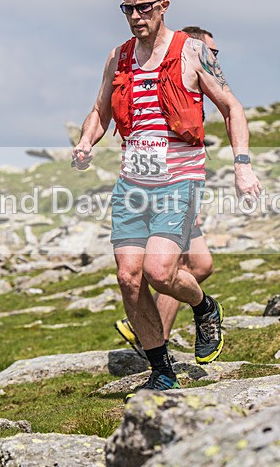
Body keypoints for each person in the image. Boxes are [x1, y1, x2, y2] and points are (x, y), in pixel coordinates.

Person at [72, 0, 261, 395]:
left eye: (144, 8)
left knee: (160, 271)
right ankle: (162, 370)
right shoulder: (117, 57)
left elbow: (232, 107)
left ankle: (204, 306)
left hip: (181, 180)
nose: (136, 17)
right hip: (132, 185)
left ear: (164, 6)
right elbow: (100, 111)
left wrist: (242, 165)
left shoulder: (193, 52)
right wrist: (86, 141)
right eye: (128, 10)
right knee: (129, 277)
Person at [113, 26, 218, 356]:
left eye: (215, 54)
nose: (212, 58)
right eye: (208, 51)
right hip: (159, 190)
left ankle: (147, 332)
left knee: (200, 267)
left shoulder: (197, 86)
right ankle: (153, 341)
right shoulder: (169, 74)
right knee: (167, 269)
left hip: (179, 187)